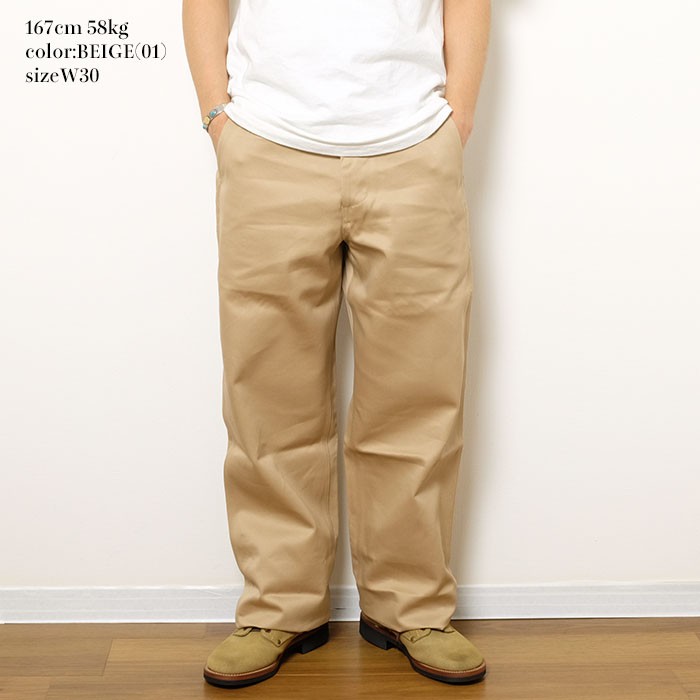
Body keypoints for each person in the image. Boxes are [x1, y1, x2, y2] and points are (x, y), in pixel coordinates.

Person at [182, 0, 490, 688]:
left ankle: (412, 607)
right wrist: (216, 116)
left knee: (419, 396)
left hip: (414, 142)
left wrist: (457, 118)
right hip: (268, 141)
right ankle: (278, 606)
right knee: (267, 398)